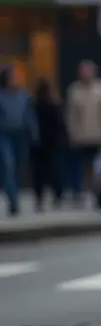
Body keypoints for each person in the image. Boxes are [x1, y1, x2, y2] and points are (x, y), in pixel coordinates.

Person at [65, 60, 101, 202]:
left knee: (98, 167)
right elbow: (71, 114)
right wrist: (72, 132)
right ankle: (78, 191)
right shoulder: (74, 90)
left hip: (98, 135)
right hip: (80, 136)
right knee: (78, 166)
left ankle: (96, 190)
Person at [0, 66, 37, 216]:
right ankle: (13, 198)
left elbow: (30, 116)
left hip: (20, 135)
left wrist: (34, 133)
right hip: (3, 134)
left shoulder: (24, 96)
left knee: (18, 167)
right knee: (8, 164)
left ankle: (13, 192)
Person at [30, 79, 64, 211]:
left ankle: (39, 197)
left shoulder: (34, 105)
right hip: (51, 143)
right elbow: (59, 125)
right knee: (53, 170)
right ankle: (58, 193)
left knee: (38, 173)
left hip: (37, 143)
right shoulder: (54, 106)